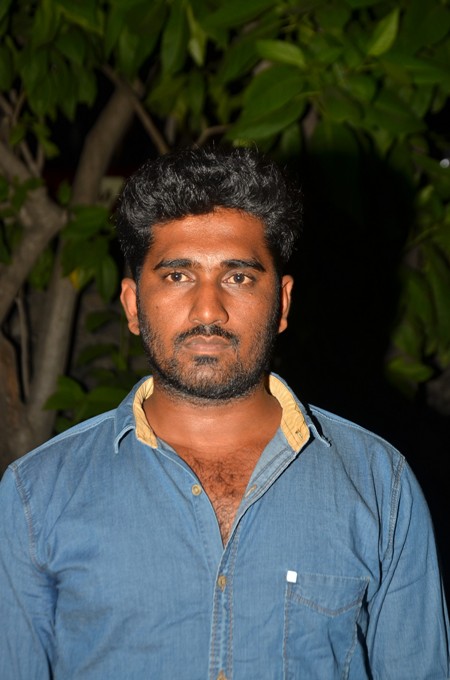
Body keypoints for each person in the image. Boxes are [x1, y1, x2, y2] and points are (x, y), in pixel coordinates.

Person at [0, 146, 448, 680]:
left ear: (282, 303)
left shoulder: (379, 485)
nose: (208, 309)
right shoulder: (36, 496)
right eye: (177, 276)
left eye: (238, 277)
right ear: (132, 305)